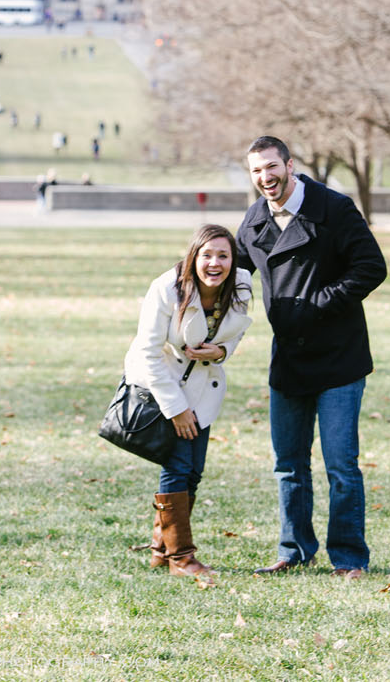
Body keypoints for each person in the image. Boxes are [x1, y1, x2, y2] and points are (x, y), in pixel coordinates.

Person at [237, 135, 386, 579]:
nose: (266, 178)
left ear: (290, 164)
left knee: (341, 466)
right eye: (256, 171)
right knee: (289, 465)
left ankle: (348, 557)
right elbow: (234, 274)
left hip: (339, 359)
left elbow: (371, 267)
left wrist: (318, 304)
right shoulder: (254, 220)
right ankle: (294, 549)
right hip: (288, 361)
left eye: (271, 167)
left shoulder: (333, 209)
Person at [123, 225, 253, 582]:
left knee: (194, 471)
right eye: (206, 255)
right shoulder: (166, 288)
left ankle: (161, 551)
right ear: (193, 256)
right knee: (178, 466)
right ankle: (181, 556)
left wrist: (223, 350)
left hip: (203, 386)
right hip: (163, 382)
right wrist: (175, 409)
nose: (215, 263)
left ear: (233, 259)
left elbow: (238, 329)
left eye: (223, 255)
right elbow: (149, 352)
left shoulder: (241, 284)